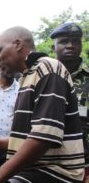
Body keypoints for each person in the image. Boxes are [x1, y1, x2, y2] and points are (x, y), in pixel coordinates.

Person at [0, 26, 84, 183]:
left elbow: (43, 137)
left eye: (0, 50)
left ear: (17, 44)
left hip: (55, 172)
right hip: (36, 170)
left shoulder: (47, 68)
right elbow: (24, 140)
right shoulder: (27, 77)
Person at [50, 22, 89, 182]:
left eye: (75, 41)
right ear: (53, 48)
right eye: (64, 41)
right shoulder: (42, 76)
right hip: (46, 161)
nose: (70, 46)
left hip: (83, 163)